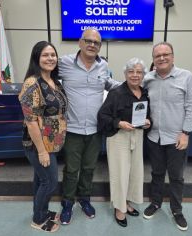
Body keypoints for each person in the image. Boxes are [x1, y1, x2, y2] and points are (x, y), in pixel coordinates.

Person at [58, 28, 121, 225]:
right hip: (72, 129)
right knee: (71, 169)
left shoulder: (103, 66)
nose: (92, 45)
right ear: (80, 42)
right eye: (88, 41)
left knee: (89, 168)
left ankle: (84, 199)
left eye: (96, 42)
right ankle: (67, 203)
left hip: (95, 130)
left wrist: (135, 85)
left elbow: (111, 84)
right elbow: (46, 78)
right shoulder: (64, 63)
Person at [142, 42, 192, 231]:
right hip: (154, 137)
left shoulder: (186, 77)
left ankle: (176, 210)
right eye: (158, 56)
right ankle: (155, 203)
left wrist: (186, 133)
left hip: (176, 138)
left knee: (176, 177)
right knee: (156, 173)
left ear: (173, 56)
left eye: (166, 54)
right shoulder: (147, 78)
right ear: (153, 59)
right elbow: (134, 95)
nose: (162, 58)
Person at [18, 41, 67, 232]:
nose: (50, 58)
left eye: (53, 55)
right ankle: (38, 219)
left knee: (41, 179)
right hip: (38, 144)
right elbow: (31, 121)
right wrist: (42, 151)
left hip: (52, 142)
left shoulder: (54, 81)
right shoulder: (32, 83)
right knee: (50, 182)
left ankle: (43, 211)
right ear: (37, 58)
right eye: (45, 55)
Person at [97, 58, 151, 227]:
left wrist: (149, 121)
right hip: (119, 137)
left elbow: (148, 115)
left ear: (143, 74)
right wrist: (119, 123)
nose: (135, 75)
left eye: (139, 72)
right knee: (120, 174)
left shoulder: (144, 93)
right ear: (125, 74)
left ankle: (127, 203)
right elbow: (102, 116)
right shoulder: (116, 93)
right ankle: (119, 209)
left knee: (134, 173)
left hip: (138, 135)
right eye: (131, 71)